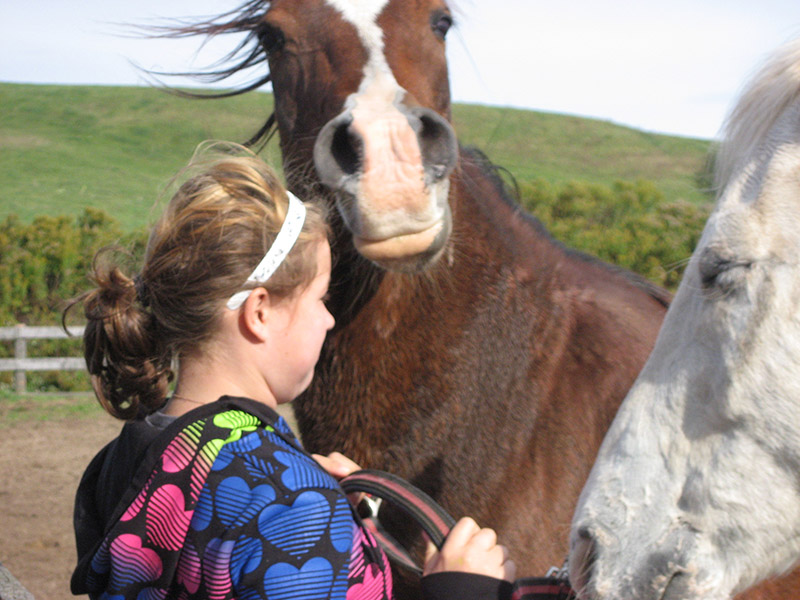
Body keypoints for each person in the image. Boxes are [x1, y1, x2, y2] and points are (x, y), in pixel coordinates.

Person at [67, 144, 516, 600]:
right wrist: (460, 591)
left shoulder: (126, 462)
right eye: (320, 298)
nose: (329, 319)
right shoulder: (292, 501)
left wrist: (345, 528)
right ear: (260, 312)